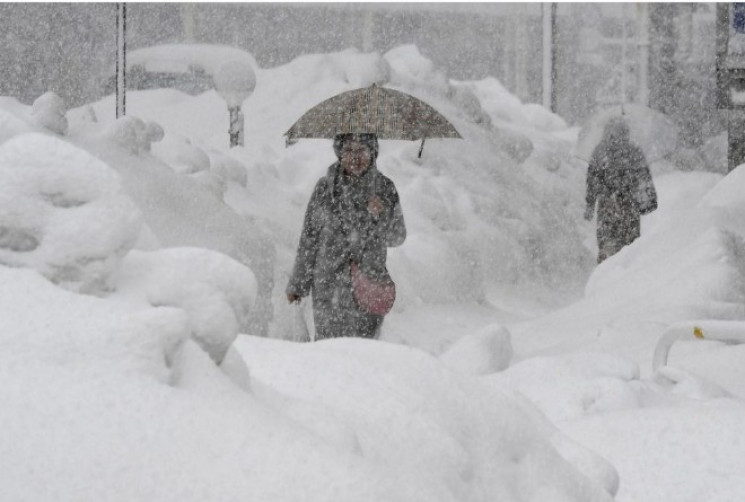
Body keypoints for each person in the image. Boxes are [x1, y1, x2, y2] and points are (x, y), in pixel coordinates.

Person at [286, 132, 406, 340]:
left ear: (373, 152)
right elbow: (309, 239)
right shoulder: (325, 188)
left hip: (369, 285)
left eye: (362, 150)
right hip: (328, 288)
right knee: (329, 353)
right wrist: (298, 284)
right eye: (349, 150)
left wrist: (383, 215)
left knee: (364, 355)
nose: (355, 157)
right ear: (339, 152)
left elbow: (398, 236)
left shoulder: (385, 188)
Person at [584, 117, 657, 263]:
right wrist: (649, 201)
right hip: (629, 205)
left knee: (607, 240)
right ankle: (626, 273)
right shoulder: (634, 150)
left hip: (607, 205)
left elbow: (592, 180)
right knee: (630, 244)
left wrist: (591, 204)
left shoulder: (600, 151)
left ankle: (605, 270)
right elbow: (644, 178)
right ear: (626, 132)